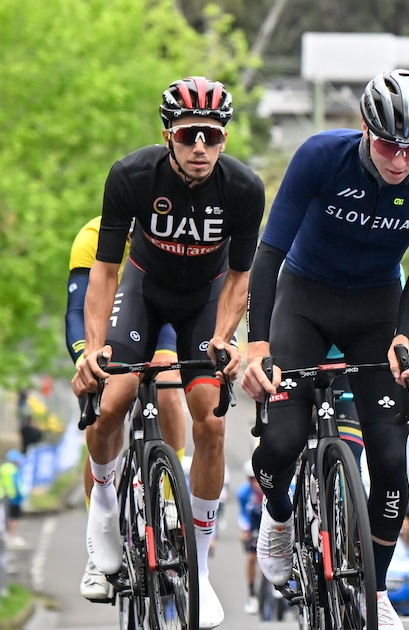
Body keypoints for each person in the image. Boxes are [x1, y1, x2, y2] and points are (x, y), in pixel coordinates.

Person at [239, 68, 409, 630]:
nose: (401, 159)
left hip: (377, 309)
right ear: (366, 129)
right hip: (303, 302)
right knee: (281, 442)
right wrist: (258, 343)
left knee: (390, 461)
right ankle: (280, 517)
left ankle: (377, 588)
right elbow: (268, 255)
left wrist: (403, 337)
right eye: (390, 144)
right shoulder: (320, 156)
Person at [72, 76, 265, 628]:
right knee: (110, 403)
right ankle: (104, 512)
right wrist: (93, 347)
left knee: (212, 425)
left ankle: (199, 570)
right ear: (168, 135)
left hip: (204, 302)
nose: (200, 146)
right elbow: (105, 270)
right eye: (188, 136)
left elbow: (239, 276)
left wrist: (225, 338)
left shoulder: (245, 190)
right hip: (142, 291)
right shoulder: (132, 175)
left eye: (211, 135)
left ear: (224, 138)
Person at [66, 215, 191, 603]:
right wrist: (84, 361)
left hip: (161, 315)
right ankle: (98, 537)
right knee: (107, 412)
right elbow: (76, 310)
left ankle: (172, 488)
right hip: (108, 329)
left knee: (169, 388)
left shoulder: (175, 232)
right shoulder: (94, 235)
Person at [236, 459, 264, 615]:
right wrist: (245, 530)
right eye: (251, 480)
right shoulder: (243, 492)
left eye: (257, 479)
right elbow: (243, 515)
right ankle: (252, 593)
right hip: (254, 523)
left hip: (270, 520)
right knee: (252, 558)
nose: (255, 483)